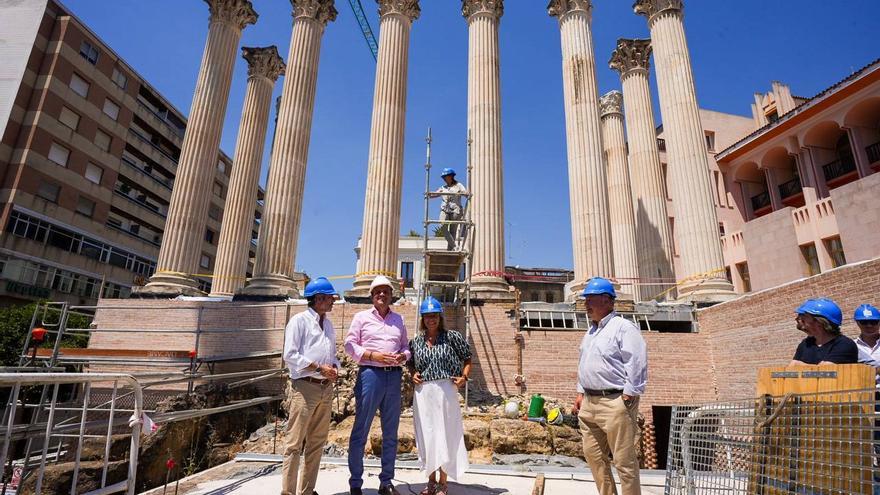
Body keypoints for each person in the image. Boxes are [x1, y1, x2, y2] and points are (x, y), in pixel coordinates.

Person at [573, 277, 647, 495]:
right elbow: (585, 363)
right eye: (585, 299)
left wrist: (629, 395)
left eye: (590, 299)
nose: (586, 304)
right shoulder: (591, 332)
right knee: (594, 458)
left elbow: (637, 362)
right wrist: (580, 391)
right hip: (589, 403)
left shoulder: (624, 328)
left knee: (624, 461)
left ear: (607, 300)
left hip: (615, 402)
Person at [344, 275, 410, 495]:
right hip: (370, 375)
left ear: (392, 295)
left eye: (386, 291)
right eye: (378, 291)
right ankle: (355, 483)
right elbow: (350, 345)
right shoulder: (361, 317)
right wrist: (374, 355)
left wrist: (403, 357)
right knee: (361, 430)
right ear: (372, 296)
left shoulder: (398, 320)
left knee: (390, 432)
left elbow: (406, 347)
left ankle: (386, 482)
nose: (382, 294)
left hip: (394, 377)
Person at [281, 277, 340, 495]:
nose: (333, 301)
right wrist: (318, 367)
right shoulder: (299, 321)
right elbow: (290, 355)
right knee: (294, 444)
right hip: (305, 387)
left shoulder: (329, 325)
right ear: (318, 298)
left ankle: (307, 491)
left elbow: (331, 355)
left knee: (316, 443)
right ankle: (288, 492)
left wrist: (334, 366)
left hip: (325, 388)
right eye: (330, 298)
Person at [408, 296, 471, 495]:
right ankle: (431, 482)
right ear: (422, 318)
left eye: (434, 316)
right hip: (424, 393)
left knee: (445, 434)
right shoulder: (416, 340)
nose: (431, 320)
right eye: (427, 316)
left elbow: (468, 357)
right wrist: (412, 374)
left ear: (440, 317)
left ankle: (443, 483)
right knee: (428, 435)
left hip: (446, 390)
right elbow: (410, 362)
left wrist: (464, 377)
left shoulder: (452, 336)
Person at [790, 298, 858, 365]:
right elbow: (791, 368)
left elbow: (824, 372)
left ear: (819, 322)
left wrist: (799, 364)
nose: (798, 320)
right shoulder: (806, 343)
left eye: (803, 316)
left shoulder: (844, 344)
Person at [428, 168, 467, 251]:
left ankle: (450, 250)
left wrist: (464, 193)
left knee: (453, 231)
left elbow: (465, 192)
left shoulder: (458, 185)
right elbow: (436, 193)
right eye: (444, 177)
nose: (445, 178)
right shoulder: (443, 187)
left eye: (446, 176)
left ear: (451, 176)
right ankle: (454, 246)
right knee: (442, 226)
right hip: (445, 209)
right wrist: (429, 194)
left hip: (456, 210)